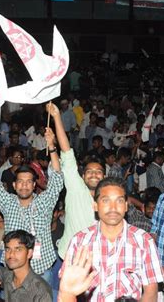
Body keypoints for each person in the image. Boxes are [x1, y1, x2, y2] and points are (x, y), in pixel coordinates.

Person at [63, 177, 164, 301]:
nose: (113, 207)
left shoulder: (143, 241)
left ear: (126, 206)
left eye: (119, 201)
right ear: (95, 206)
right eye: (106, 201)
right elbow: (67, 290)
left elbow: (150, 292)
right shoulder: (80, 241)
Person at [0, 126, 63, 284]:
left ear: (34, 185)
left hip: (41, 269)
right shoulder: (8, 202)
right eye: (20, 182)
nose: (24, 186)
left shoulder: (44, 202)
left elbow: (56, 180)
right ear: (14, 185)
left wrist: (52, 147)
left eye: (29, 182)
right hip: (13, 270)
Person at [46, 103, 105, 260]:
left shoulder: (108, 199)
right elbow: (66, 150)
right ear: (83, 176)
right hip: (71, 256)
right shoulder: (76, 188)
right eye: (89, 172)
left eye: (98, 172)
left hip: (97, 258)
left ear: (104, 177)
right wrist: (57, 117)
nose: (94, 175)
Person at [0, 230, 52, 301]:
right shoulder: (7, 274)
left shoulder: (41, 290)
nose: (11, 254)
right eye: (8, 249)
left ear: (29, 253)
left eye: (18, 249)